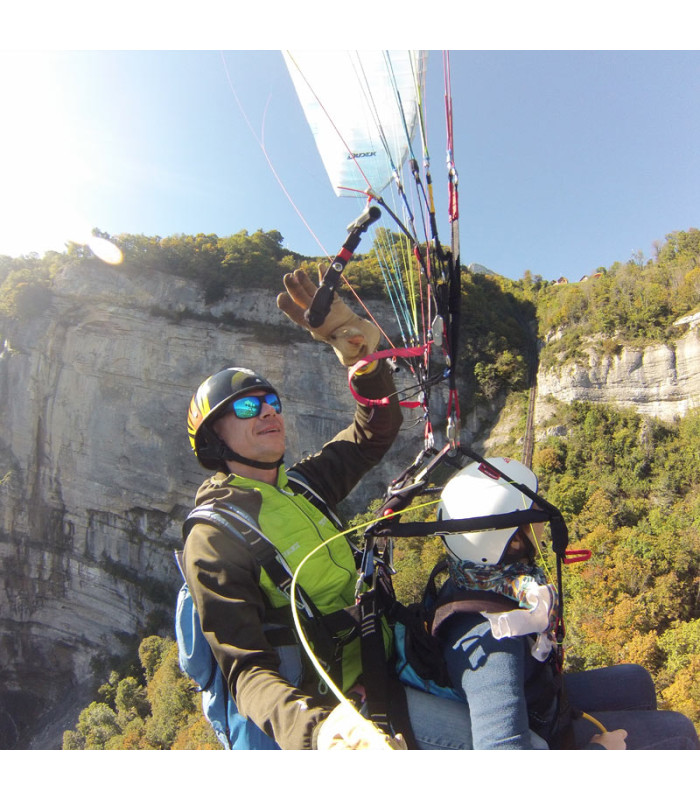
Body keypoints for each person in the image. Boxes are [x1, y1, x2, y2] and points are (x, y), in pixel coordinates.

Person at [428, 457, 699, 750]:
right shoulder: (494, 642)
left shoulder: (476, 577)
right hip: (543, 734)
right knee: (679, 735)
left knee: (638, 680)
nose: (545, 517)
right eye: (535, 514)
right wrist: (599, 751)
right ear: (514, 542)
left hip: (537, 698)